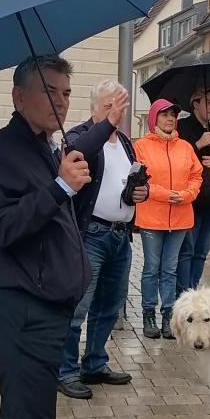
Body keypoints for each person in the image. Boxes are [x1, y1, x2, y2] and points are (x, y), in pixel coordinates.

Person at [0, 55, 122, 419]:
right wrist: (58, 187)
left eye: (66, 94)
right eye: (49, 91)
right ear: (18, 97)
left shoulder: (43, 146)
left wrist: (96, 134)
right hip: (20, 315)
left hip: (42, 310)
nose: (60, 102)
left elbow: (71, 165)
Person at [57, 79, 148, 400]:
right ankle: (65, 370)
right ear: (93, 108)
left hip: (120, 237)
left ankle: (94, 363)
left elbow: (131, 181)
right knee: (78, 306)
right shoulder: (78, 137)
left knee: (109, 306)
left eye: (118, 107)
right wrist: (106, 124)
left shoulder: (124, 142)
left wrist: (142, 192)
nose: (115, 113)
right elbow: (79, 155)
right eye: (108, 106)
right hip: (90, 235)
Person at [134, 99, 202, 339]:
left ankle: (168, 316)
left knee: (170, 269)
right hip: (152, 217)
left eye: (173, 115)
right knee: (152, 268)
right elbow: (140, 180)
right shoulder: (141, 146)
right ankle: (148, 314)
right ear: (154, 119)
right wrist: (166, 195)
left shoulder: (185, 147)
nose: (170, 119)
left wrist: (185, 195)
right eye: (164, 115)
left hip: (181, 217)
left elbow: (197, 176)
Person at [176, 88, 210, 295]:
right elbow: (176, 158)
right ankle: (184, 295)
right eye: (208, 102)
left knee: (201, 253)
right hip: (191, 202)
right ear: (195, 103)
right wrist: (198, 144)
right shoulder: (182, 128)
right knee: (187, 252)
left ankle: (195, 290)